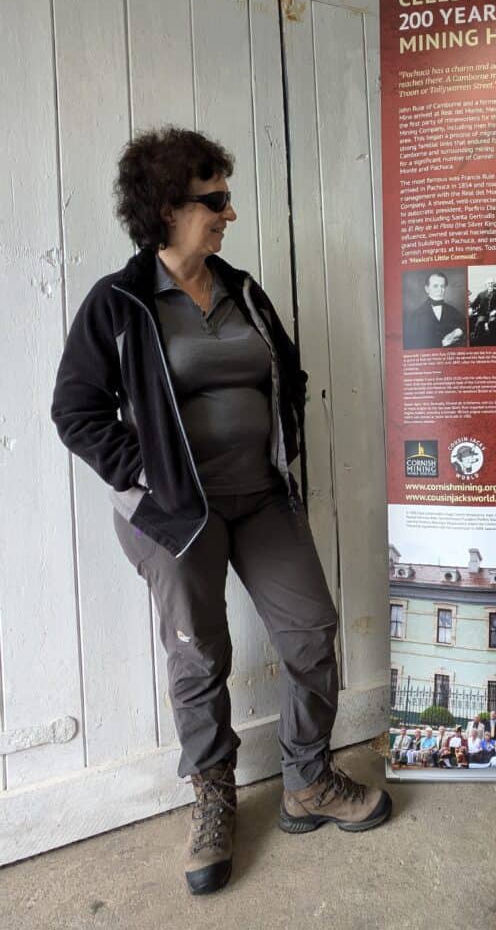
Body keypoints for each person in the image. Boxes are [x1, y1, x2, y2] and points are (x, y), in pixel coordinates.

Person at [50, 127, 390, 894]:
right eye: (215, 199)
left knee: (311, 631)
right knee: (199, 654)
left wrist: (281, 436)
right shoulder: (121, 302)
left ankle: (308, 779)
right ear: (167, 208)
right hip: (178, 517)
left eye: (226, 198)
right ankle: (212, 800)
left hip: (261, 497)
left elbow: (287, 371)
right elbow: (75, 410)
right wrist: (149, 473)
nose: (228, 213)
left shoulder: (240, 287)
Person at [403, 271, 466, 349]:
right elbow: (412, 344)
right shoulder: (416, 315)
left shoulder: (453, 311)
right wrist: (442, 343)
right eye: (435, 286)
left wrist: (457, 332)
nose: (440, 290)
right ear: (427, 289)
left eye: (442, 286)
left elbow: (465, 325)